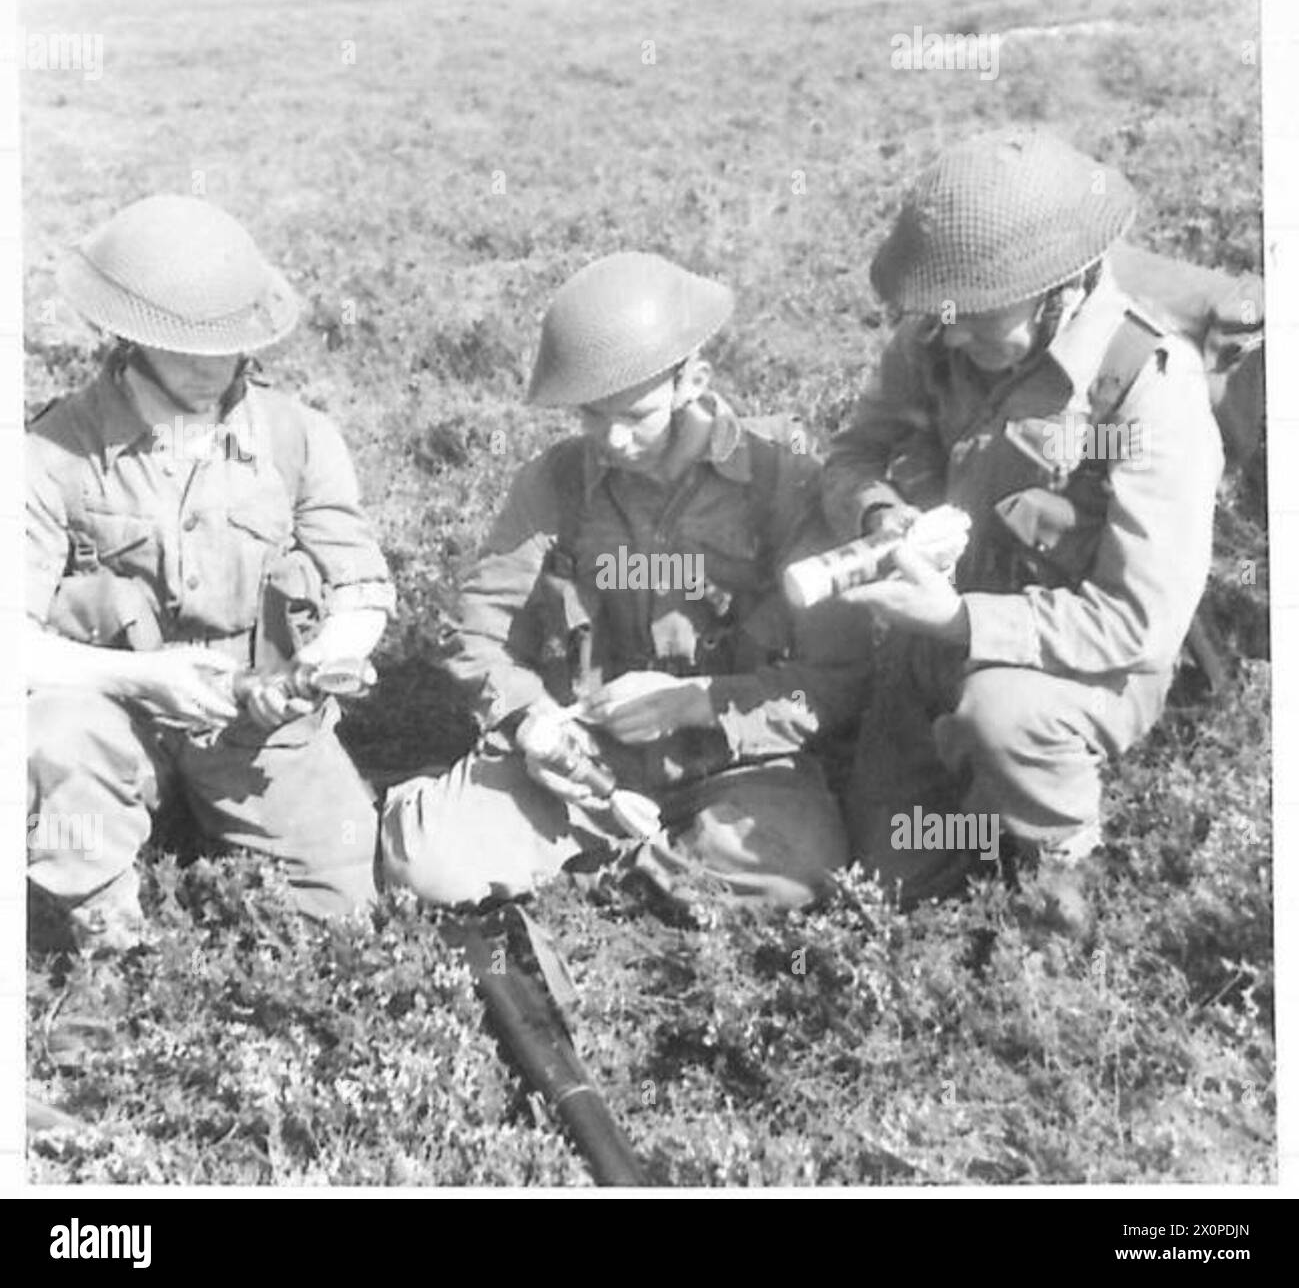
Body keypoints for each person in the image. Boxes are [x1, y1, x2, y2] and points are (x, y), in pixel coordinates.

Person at [821, 131, 1224, 932]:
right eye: (944, 314)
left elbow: (1136, 624)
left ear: (1062, 289)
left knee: (1002, 716)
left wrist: (962, 620)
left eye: (977, 318)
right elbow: (851, 454)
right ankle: (984, 827)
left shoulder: (1145, 391)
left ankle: (1065, 878)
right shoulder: (941, 332)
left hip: (1087, 661)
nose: (953, 334)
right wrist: (878, 514)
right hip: (939, 638)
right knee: (888, 882)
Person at [382, 252, 868, 908]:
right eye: (590, 415)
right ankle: (643, 864)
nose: (609, 438)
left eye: (633, 414)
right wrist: (536, 725)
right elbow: (477, 635)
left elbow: (835, 678)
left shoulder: (782, 477)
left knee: (801, 867)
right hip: (580, 763)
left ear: (692, 380)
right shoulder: (554, 484)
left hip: (733, 760)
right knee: (427, 868)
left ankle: (622, 873)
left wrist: (694, 699)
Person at [27, 194, 395, 951]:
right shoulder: (48, 453)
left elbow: (361, 584)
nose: (212, 368)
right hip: (116, 712)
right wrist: (144, 679)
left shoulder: (300, 436)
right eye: (186, 347)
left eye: (230, 345)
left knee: (347, 912)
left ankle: (197, 815)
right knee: (53, 733)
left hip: (257, 723)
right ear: (124, 336)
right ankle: (101, 918)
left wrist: (331, 654)